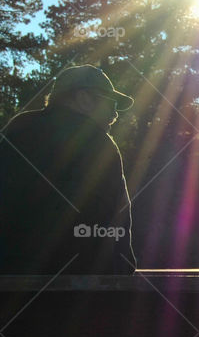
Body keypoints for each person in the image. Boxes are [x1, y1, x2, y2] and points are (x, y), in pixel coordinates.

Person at [0, 65, 137, 274]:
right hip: (75, 291)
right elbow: (112, 224)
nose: (115, 113)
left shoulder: (15, 130)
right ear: (83, 98)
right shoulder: (98, 143)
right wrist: (123, 273)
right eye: (111, 103)